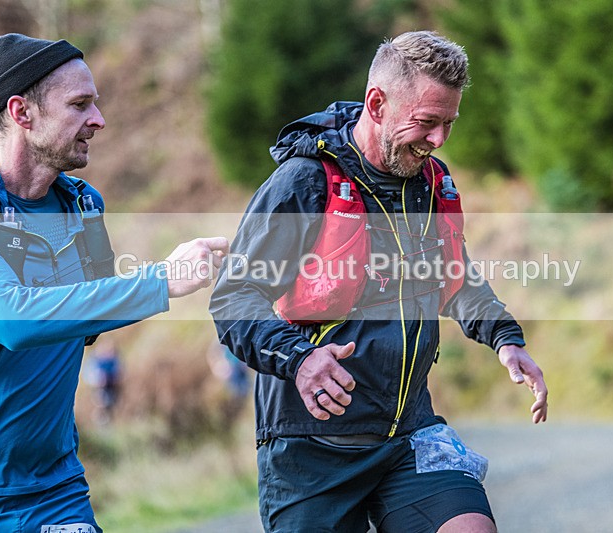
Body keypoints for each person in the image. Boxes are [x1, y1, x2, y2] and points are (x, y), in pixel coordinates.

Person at [210, 31, 548, 533]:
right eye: (427, 123)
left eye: (448, 124)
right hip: (311, 448)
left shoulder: (431, 182)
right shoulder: (303, 182)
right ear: (377, 103)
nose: (438, 141)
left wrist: (504, 336)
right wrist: (301, 359)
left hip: (409, 434)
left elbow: (452, 274)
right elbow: (235, 297)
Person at [0, 33, 228, 532]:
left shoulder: (83, 207)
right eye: (79, 105)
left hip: (55, 490)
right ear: (21, 112)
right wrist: (162, 279)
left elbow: (85, 317)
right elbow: (13, 317)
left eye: (94, 103)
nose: (98, 119)